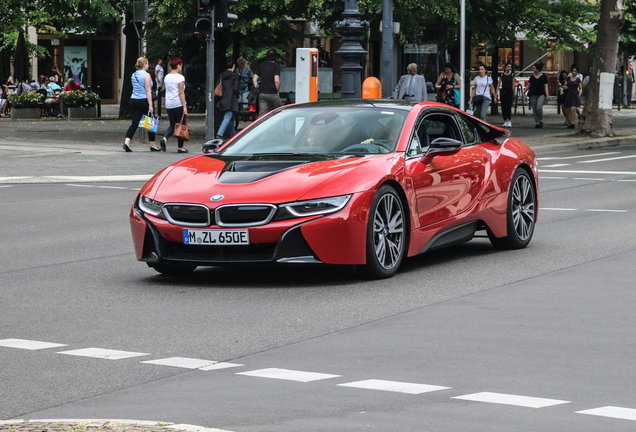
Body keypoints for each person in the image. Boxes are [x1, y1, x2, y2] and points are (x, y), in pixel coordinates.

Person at [123, 57, 160, 152]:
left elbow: (134, 87)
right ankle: (153, 145)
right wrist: (150, 105)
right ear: (144, 65)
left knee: (134, 123)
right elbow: (148, 90)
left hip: (134, 100)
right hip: (144, 100)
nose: (148, 65)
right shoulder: (147, 75)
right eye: (147, 63)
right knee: (150, 122)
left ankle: (127, 142)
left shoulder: (133, 75)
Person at [160, 57, 188, 154]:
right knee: (181, 124)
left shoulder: (167, 77)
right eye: (180, 65)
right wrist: (184, 106)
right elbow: (181, 92)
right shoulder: (180, 77)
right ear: (177, 65)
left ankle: (164, 138)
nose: (181, 66)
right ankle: (180, 147)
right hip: (178, 103)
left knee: (172, 124)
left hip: (169, 104)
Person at [215, 57, 240, 140]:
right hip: (231, 99)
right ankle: (220, 134)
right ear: (233, 65)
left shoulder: (221, 75)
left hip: (223, 99)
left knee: (230, 119)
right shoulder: (235, 76)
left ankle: (234, 137)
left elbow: (217, 87)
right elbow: (236, 89)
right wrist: (237, 96)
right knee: (228, 117)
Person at [252, 49, 281, 115]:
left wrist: (257, 88)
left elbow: (254, 79)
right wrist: (277, 91)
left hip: (262, 93)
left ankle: (261, 125)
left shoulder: (261, 66)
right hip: (273, 93)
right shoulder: (276, 66)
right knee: (276, 114)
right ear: (275, 57)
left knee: (262, 115)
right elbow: (276, 81)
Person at [525, 62, 549, 128]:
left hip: (541, 94)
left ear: (538, 69)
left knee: (539, 107)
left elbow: (545, 86)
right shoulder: (532, 77)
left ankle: (541, 120)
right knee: (534, 108)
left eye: (534, 68)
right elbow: (529, 85)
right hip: (533, 94)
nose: (533, 70)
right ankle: (537, 122)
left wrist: (547, 95)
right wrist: (524, 91)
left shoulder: (543, 76)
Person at [563, 65, 582, 129]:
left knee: (573, 109)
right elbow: (565, 85)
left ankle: (572, 123)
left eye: (575, 71)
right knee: (568, 109)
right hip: (569, 94)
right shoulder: (568, 78)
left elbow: (580, 88)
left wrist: (580, 93)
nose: (574, 72)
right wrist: (565, 87)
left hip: (575, 94)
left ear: (577, 73)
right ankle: (570, 121)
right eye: (573, 71)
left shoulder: (578, 79)